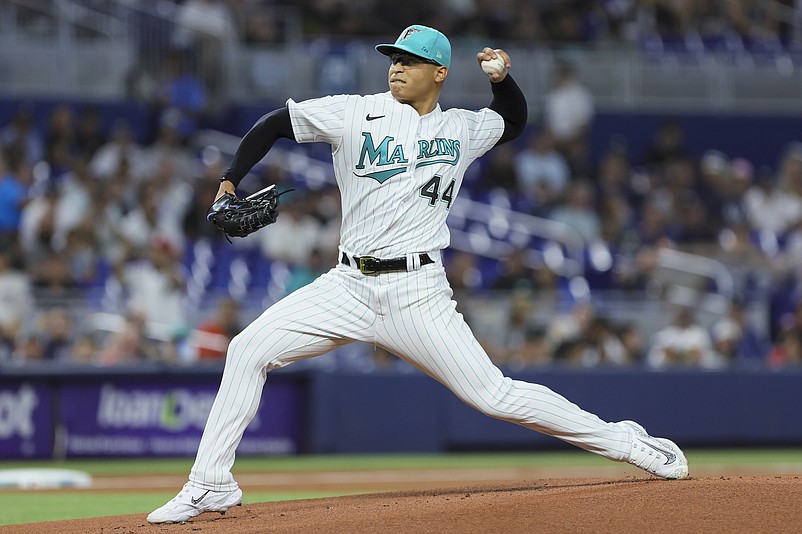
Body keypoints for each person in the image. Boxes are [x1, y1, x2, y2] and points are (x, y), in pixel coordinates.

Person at [147, 24, 688, 525]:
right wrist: (227, 182)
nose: (396, 67)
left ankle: (622, 442)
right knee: (246, 351)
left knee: (494, 396)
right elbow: (273, 125)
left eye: (409, 60)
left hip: (417, 293)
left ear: (440, 73)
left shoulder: (461, 128)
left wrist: (503, 80)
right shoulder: (355, 112)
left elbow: (514, 120)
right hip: (347, 285)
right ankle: (210, 482)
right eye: (393, 59)